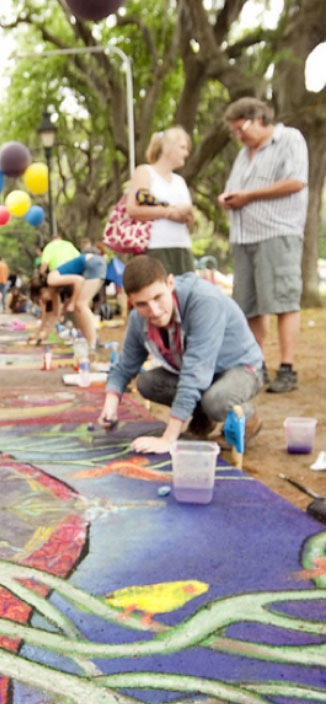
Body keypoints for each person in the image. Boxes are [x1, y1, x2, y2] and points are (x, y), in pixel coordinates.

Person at [98, 255, 264, 455]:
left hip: (240, 368)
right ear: (131, 301)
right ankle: (203, 419)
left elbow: (195, 373)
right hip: (201, 373)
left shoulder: (203, 302)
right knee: (149, 383)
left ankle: (247, 417)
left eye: (158, 298)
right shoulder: (138, 319)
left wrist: (168, 439)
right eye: (142, 304)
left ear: (170, 283)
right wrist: (111, 403)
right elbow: (125, 366)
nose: (154, 311)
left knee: (216, 400)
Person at [219, 97, 309, 394]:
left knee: (282, 300)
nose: (239, 136)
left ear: (259, 118)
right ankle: (257, 364)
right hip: (243, 237)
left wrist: (249, 196)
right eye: (234, 132)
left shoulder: (289, 140)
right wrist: (228, 198)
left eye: (241, 128)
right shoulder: (244, 155)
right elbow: (236, 188)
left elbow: (296, 181)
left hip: (276, 233)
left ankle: (287, 367)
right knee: (250, 306)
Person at [125, 126, 196, 275]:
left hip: (181, 247)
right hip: (155, 247)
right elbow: (133, 209)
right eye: (182, 147)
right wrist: (169, 212)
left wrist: (186, 216)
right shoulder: (145, 172)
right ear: (167, 148)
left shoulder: (180, 181)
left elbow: (190, 220)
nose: (186, 153)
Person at [39, 234, 107, 349]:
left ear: (44, 289)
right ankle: (91, 339)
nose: (43, 299)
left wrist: (71, 302)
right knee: (78, 307)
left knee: (80, 304)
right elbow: (55, 313)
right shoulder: (57, 286)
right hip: (92, 265)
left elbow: (78, 280)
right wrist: (42, 335)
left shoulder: (52, 278)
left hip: (93, 264)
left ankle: (93, 341)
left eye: (42, 295)